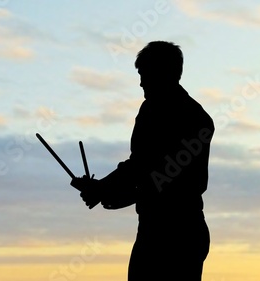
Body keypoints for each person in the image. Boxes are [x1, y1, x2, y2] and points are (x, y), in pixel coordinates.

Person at [71, 41, 214, 281]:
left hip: (180, 234)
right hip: (153, 229)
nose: (141, 82)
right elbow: (139, 164)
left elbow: (173, 178)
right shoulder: (150, 110)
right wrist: (102, 188)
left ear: (165, 72)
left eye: (145, 74)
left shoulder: (195, 119)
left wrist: (117, 194)